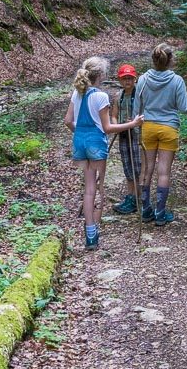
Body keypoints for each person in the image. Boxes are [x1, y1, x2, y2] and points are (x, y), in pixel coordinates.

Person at [67, 56, 138, 249]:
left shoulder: (77, 93)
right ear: (101, 75)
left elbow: (68, 121)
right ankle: (94, 232)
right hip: (96, 144)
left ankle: (89, 231)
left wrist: (80, 133)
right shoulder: (101, 96)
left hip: (80, 143)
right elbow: (107, 128)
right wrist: (132, 124)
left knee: (88, 188)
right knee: (98, 188)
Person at [134, 44, 187, 226]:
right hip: (169, 128)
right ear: (170, 60)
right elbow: (184, 107)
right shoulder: (177, 80)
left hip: (147, 127)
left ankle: (146, 210)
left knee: (146, 169)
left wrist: (136, 127)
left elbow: (137, 108)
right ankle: (160, 213)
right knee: (164, 172)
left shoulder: (143, 79)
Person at [110, 64, 146, 215]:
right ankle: (130, 196)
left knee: (138, 167)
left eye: (130, 78)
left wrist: (136, 121)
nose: (127, 81)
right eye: (124, 78)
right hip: (124, 135)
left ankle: (138, 197)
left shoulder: (140, 95)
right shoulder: (119, 96)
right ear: (120, 80)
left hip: (138, 135)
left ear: (134, 79)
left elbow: (146, 113)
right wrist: (116, 125)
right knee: (127, 166)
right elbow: (114, 115)